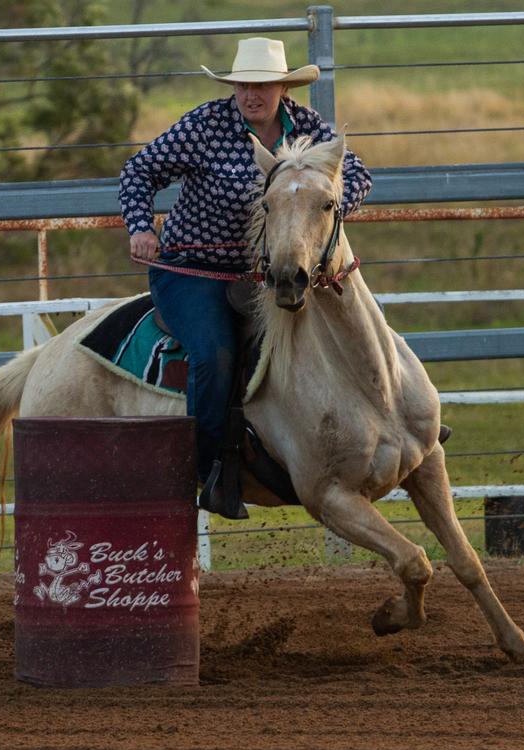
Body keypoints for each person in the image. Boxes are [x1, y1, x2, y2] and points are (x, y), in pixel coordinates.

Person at [119, 37, 372, 518]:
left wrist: (326, 209)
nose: (250, 95)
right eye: (242, 85)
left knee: (353, 321)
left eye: (261, 85)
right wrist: (140, 227)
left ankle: (398, 421)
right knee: (215, 354)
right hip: (196, 271)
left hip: (276, 271)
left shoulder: (310, 129)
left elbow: (356, 174)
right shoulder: (205, 126)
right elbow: (139, 171)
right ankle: (213, 469)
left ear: (282, 87)